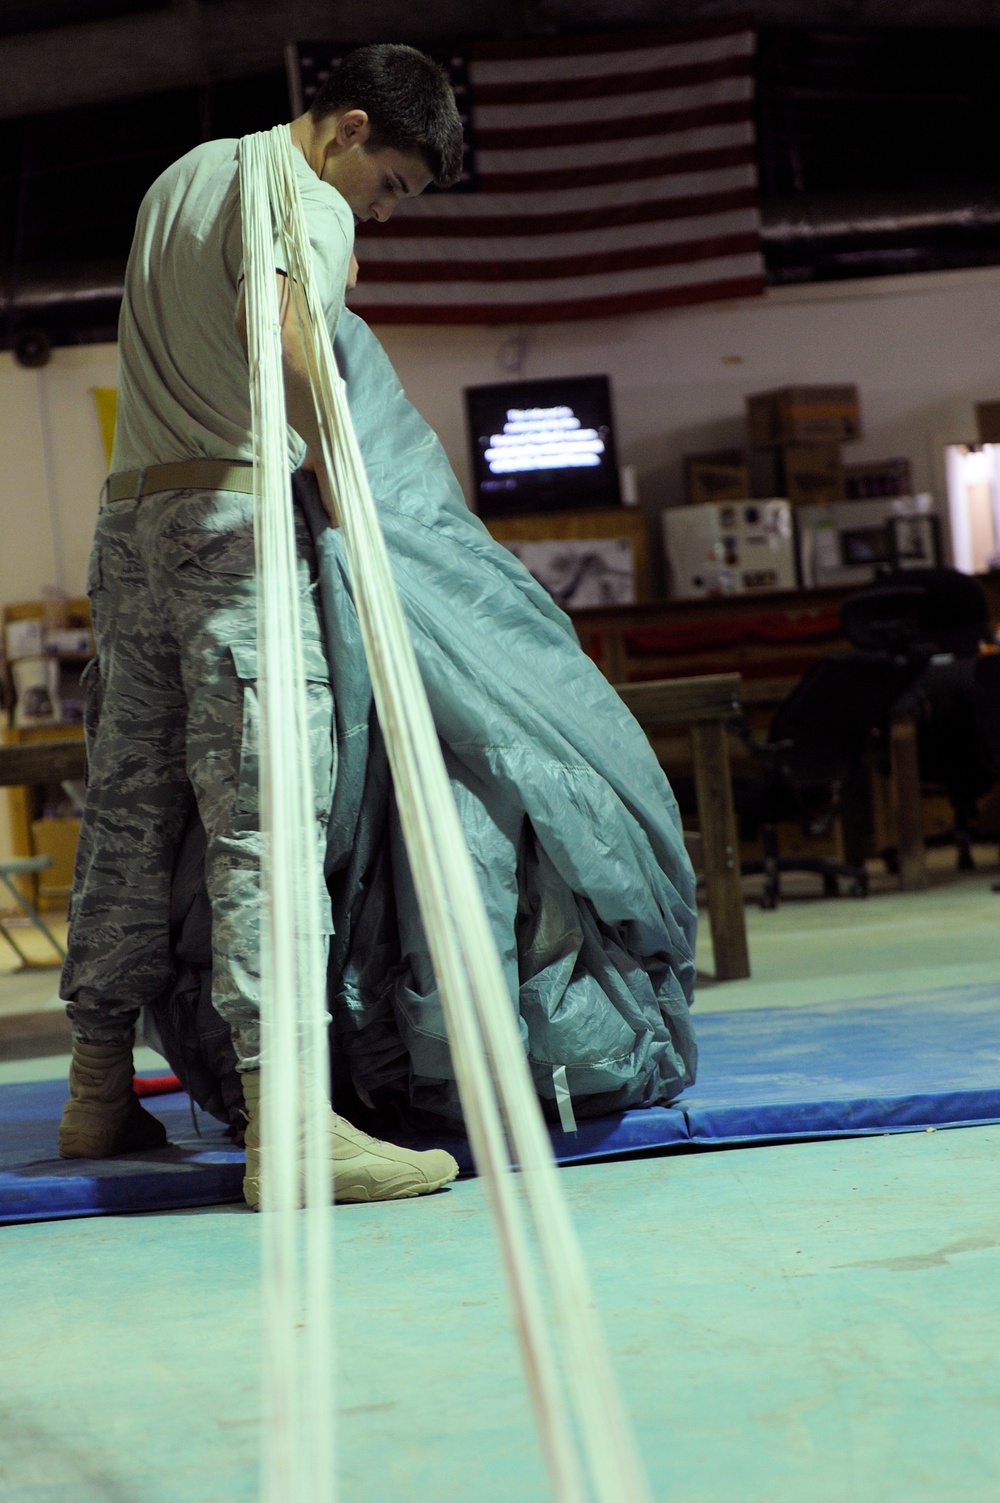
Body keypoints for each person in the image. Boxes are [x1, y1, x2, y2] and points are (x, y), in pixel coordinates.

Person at [57, 44, 466, 1207]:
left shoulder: (184, 176)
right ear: (348, 128)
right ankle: (289, 1128)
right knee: (266, 817)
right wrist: (346, 493)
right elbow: (284, 337)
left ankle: (96, 1090)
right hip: (232, 527)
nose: (381, 213)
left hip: (130, 528)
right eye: (390, 184)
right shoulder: (308, 199)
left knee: (130, 814)